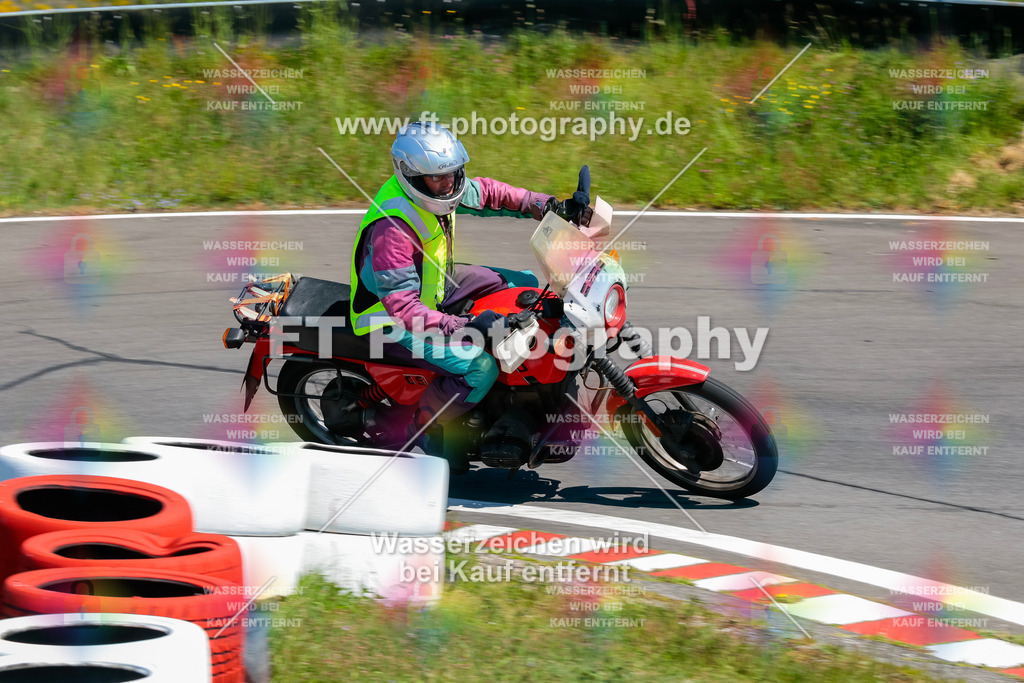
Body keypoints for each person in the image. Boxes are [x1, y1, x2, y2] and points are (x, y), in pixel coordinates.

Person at [348, 122, 586, 470]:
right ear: (411, 176)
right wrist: (464, 325)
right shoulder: (392, 228)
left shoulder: (445, 188)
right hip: (391, 321)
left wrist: (548, 205)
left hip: (434, 286)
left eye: (454, 173)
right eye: (438, 178)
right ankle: (428, 426)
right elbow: (403, 308)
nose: (450, 183)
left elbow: (490, 194)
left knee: (523, 285)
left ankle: (524, 395)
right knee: (480, 366)